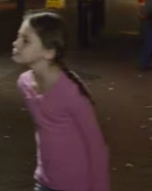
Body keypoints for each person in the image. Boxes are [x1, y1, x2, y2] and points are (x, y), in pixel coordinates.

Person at [12, 12, 109, 191]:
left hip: (76, 184)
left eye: (25, 40)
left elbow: (96, 146)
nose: (16, 44)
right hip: (44, 181)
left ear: (49, 52)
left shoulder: (70, 92)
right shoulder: (24, 83)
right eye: (18, 37)